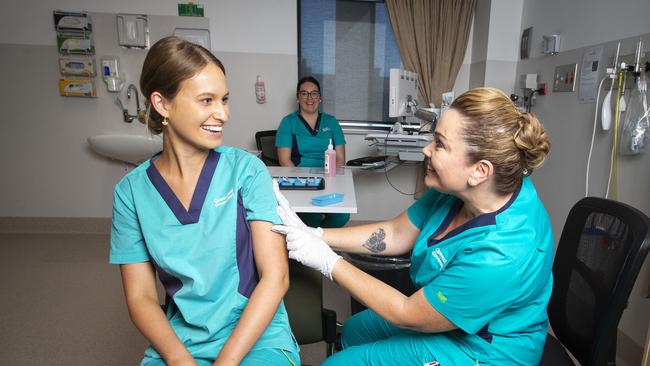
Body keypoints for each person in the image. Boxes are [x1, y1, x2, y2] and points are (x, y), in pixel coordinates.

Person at [273, 87, 553, 365]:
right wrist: (317, 234)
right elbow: (396, 234)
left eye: (440, 144)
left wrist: (326, 261)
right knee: (355, 331)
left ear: (479, 171)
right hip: (444, 310)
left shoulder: (502, 255)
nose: (426, 149)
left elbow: (407, 312)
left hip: (483, 349)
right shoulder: (462, 189)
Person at [109, 36, 299, 366]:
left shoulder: (246, 171)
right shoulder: (131, 193)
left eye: (224, 100)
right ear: (162, 104)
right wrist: (180, 359)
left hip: (257, 337)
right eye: (206, 100)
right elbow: (140, 297)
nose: (222, 114)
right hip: (182, 341)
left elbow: (276, 277)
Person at [275, 76, 349, 228]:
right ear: (298, 98)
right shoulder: (288, 122)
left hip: (329, 178)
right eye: (304, 93)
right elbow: (284, 160)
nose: (310, 98)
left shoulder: (331, 122)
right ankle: (313, 243)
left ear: (320, 98)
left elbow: (341, 158)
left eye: (314, 93)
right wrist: (304, 182)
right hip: (302, 179)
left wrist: (332, 181)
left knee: (342, 216)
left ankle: (320, 239)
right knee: (312, 216)